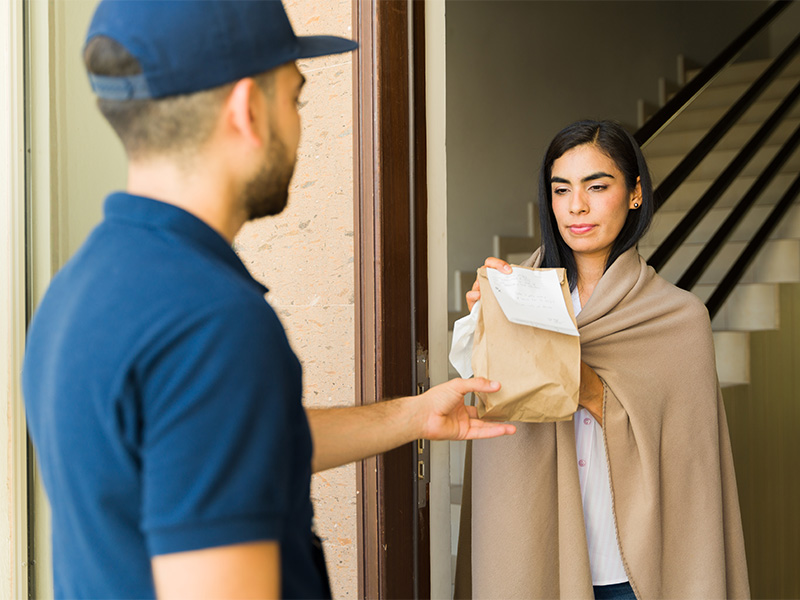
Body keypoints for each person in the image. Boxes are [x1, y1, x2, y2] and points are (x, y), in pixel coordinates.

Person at [21, 2, 516, 599]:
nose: (300, 124)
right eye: (295, 98)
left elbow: (213, 440)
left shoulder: (79, 290)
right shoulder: (211, 324)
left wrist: (411, 415)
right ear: (247, 110)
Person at [455, 120, 749, 599]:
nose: (577, 206)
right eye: (561, 189)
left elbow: (690, 467)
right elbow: (491, 405)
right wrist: (489, 326)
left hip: (630, 571)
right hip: (533, 554)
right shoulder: (513, 295)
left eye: (597, 186)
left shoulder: (679, 319)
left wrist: (553, 363)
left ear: (635, 194)